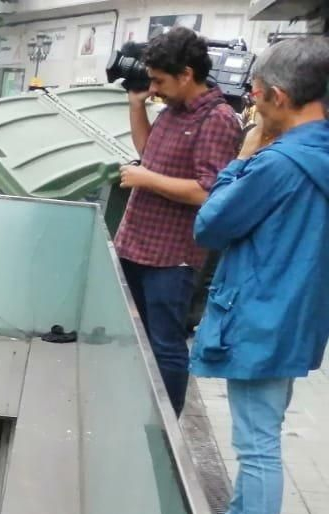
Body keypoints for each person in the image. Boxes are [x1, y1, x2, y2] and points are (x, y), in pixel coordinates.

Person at [189, 37, 329, 514]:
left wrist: (243, 157)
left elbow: (212, 225)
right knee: (259, 428)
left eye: (254, 93)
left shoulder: (277, 163)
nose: (252, 103)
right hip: (297, 314)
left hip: (259, 313)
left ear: (276, 95)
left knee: (257, 442)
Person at [114, 26, 243, 415]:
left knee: (166, 345)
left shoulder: (218, 119)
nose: (153, 88)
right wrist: (137, 105)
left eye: (158, 81)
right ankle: (136, 410)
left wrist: (145, 179)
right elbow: (147, 151)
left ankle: (166, 424)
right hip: (135, 243)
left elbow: (209, 192)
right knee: (134, 339)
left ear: (186, 74)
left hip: (172, 256)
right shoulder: (172, 111)